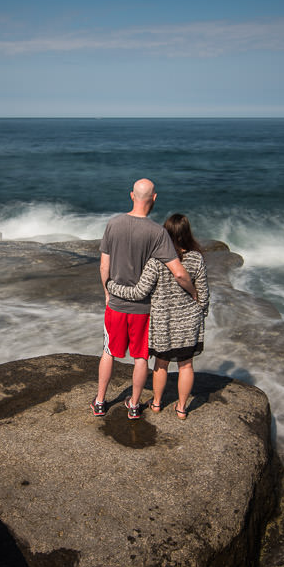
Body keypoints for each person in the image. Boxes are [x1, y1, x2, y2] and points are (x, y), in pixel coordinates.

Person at [93, 179, 196, 419]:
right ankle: (135, 405)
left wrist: (108, 293)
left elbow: (103, 266)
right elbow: (179, 272)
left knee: (109, 351)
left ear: (131, 195)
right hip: (143, 309)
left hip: (116, 305)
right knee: (140, 357)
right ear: (154, 198)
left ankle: (100, 402)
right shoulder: (157, 232)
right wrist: (193, 291)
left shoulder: (113, 224)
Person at [105, 213, 208, 420]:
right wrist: (201, 313)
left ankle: (157, 403)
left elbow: (138, 293)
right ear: (188, 234)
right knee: (186, 364)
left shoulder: (156, 261)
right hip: (190, 320)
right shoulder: (197, 259)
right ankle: (181, 408)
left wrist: (111, 286)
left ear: (164, 235)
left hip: (163, 321)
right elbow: (203, 294)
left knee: (161, 363)